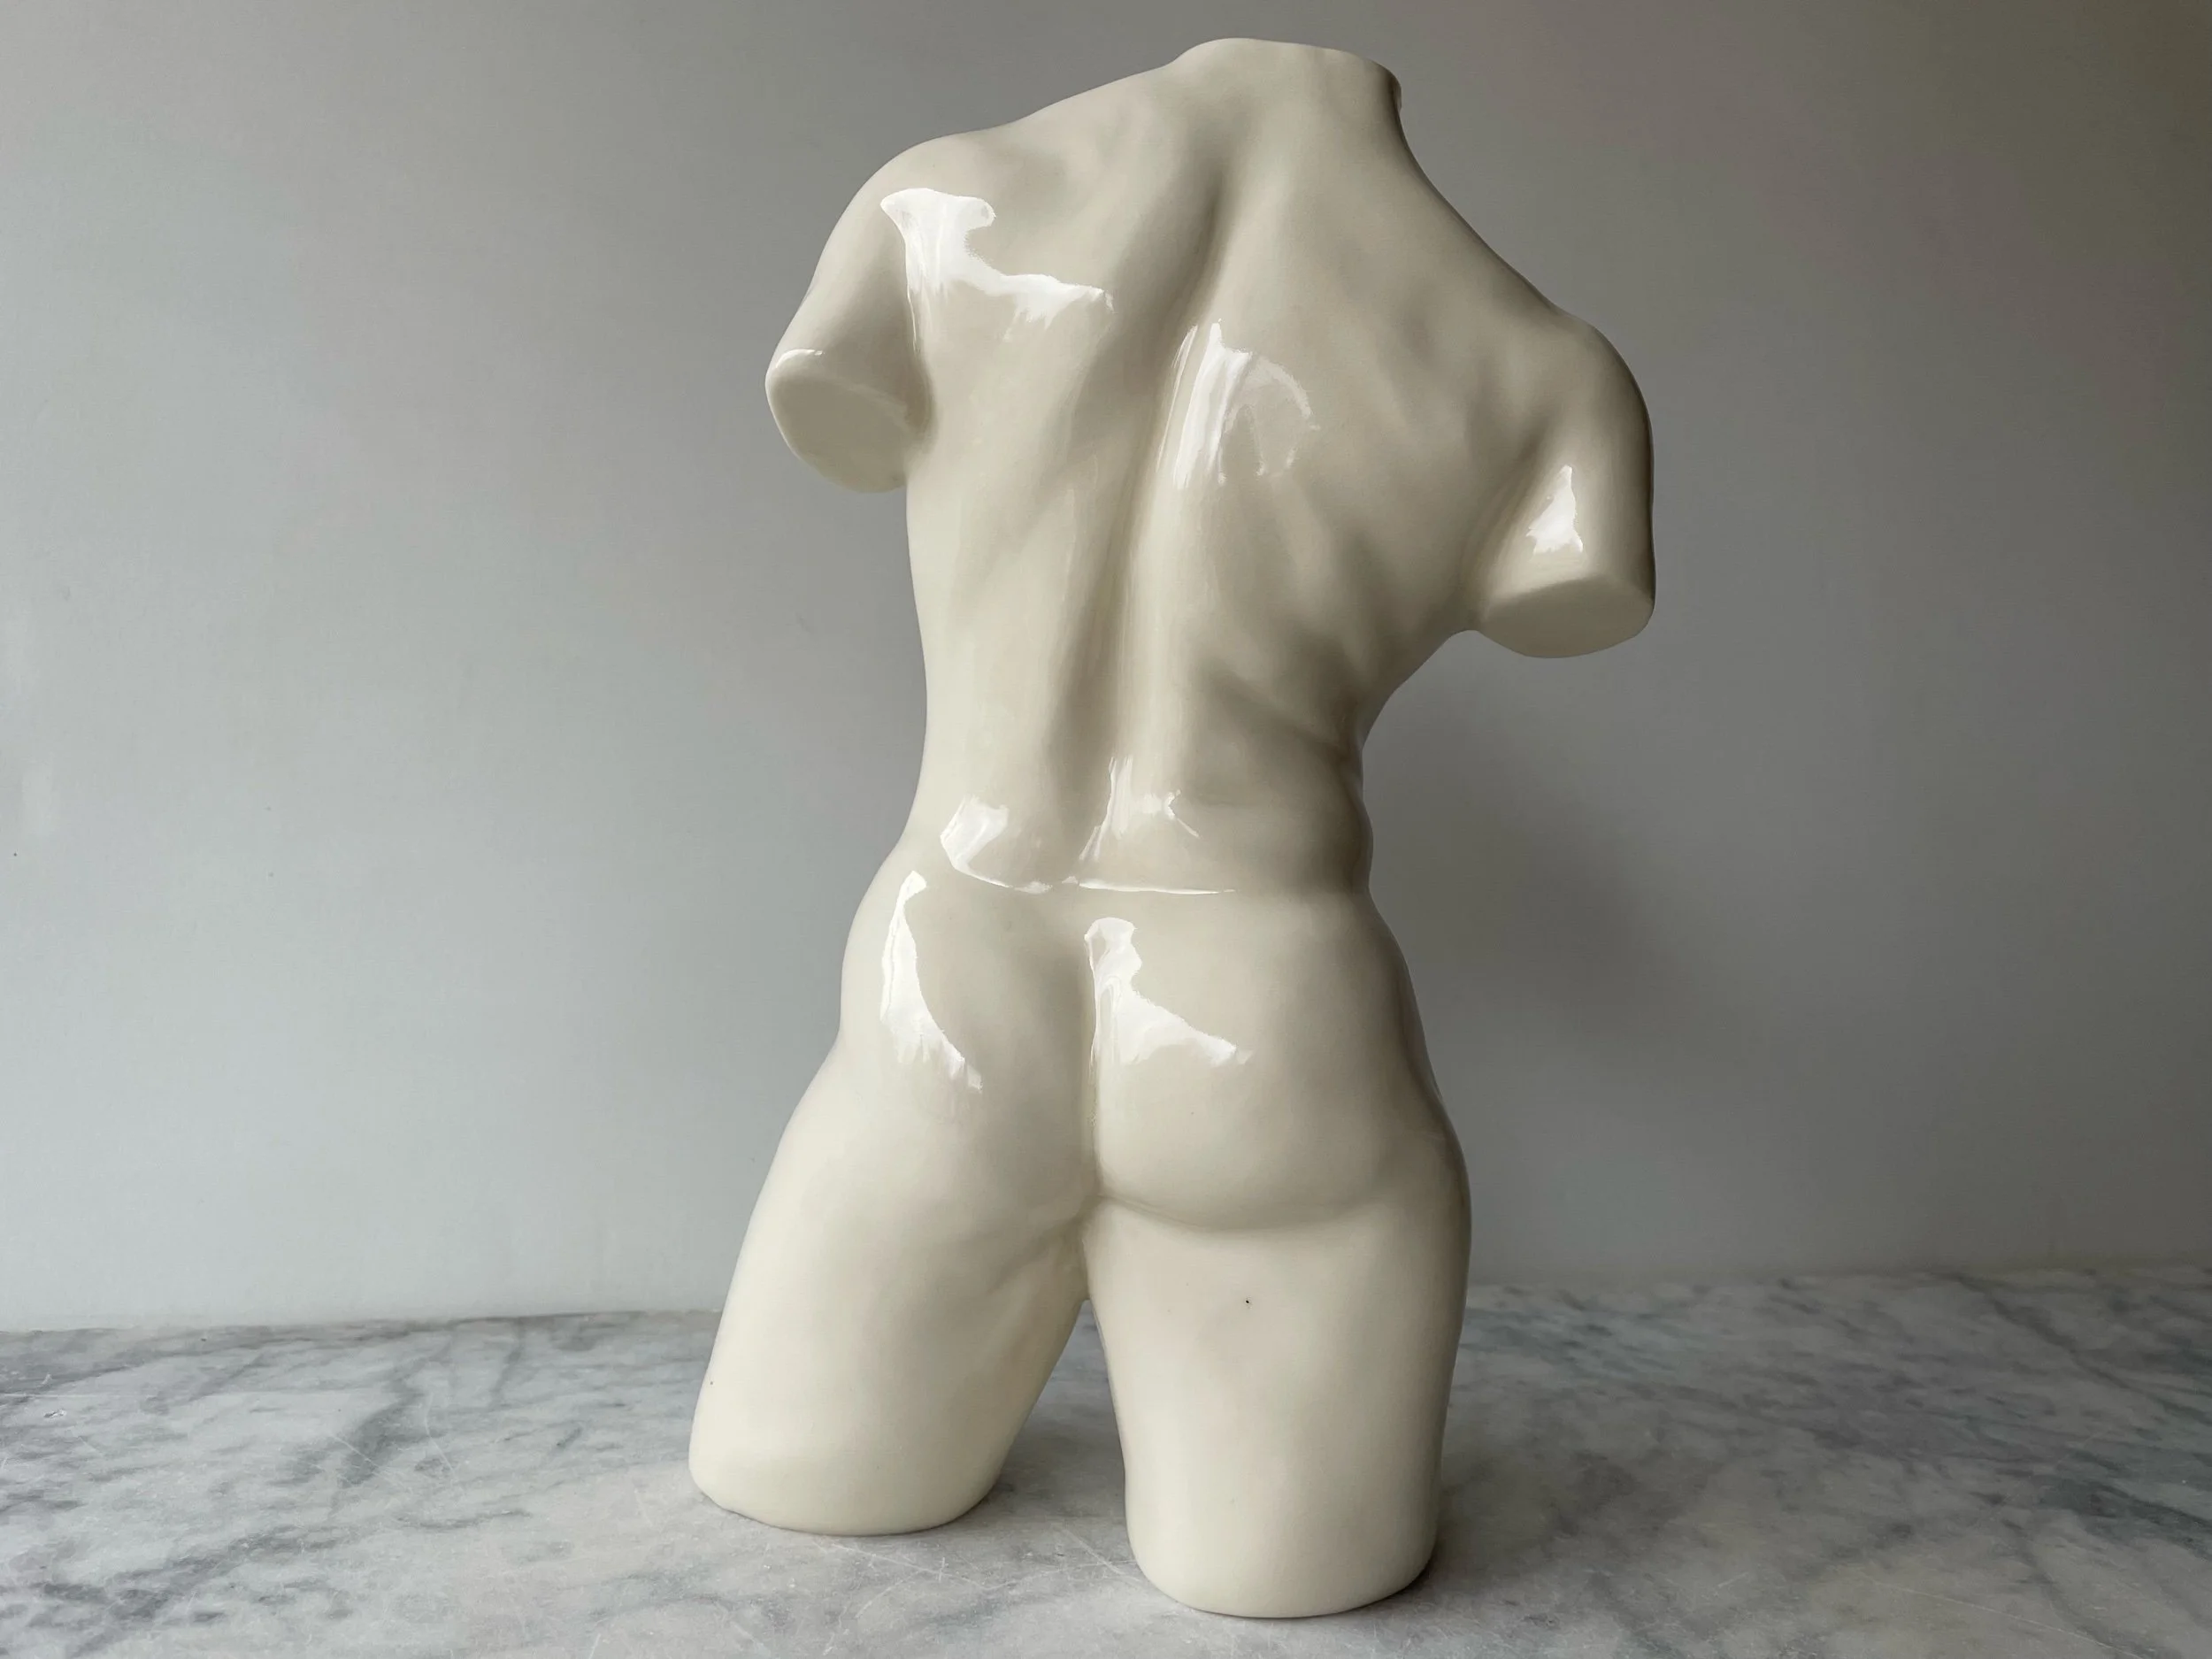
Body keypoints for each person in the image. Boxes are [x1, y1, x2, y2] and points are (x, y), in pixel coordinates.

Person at [690, 37, 1655, 1617]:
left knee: (799, 1474)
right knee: (1288, 1574)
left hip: (954, 968)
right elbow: (1575, 586)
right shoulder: (1544, 373)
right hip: (1260, 1008)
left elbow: (837, 412)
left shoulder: (938, 207)